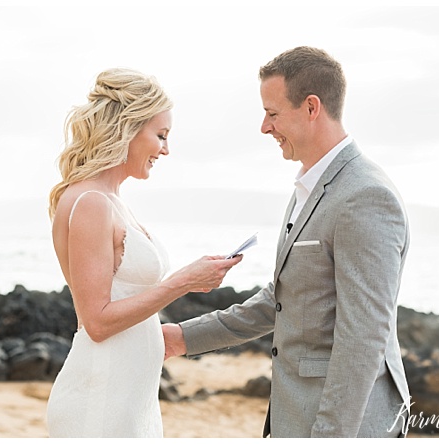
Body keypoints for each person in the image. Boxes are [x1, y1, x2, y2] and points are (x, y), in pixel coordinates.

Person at [162, 46, 411, 438]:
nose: (264, 127)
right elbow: (282, 301)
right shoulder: (308, 188)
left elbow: (364, 337)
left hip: (341, 426)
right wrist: (180, 338)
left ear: (312, 107)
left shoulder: (364, 196)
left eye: (273, 113)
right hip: (294, 414)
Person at [45, 68, 242, 438]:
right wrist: (183, 281)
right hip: (101, 401)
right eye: (161, 136)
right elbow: (98, 322)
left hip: (126, 397)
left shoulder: (110, 200)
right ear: (128, 129)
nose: (165, 149)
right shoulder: (91, 202)